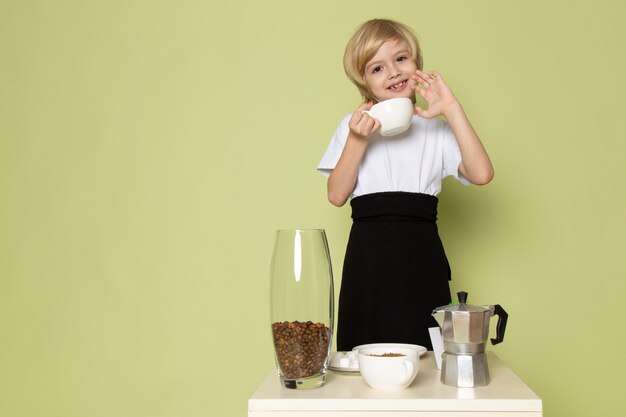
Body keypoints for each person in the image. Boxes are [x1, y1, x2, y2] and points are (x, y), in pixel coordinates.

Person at [317, 19, 494, 351]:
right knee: (363, 353)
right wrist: (357, 140)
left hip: (421, 257)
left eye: (401, 59)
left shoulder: (435, 130)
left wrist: (452, 109)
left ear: (417, 65)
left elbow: (482, 173)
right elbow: (337, 195)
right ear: (364, 82)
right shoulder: (351, 127)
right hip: (367, 261)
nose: (393, 72)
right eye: (377, 68)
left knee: (427, 360)